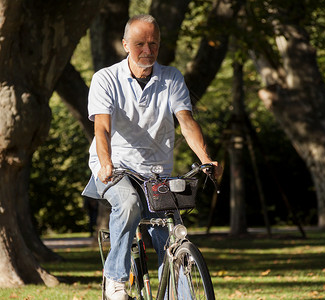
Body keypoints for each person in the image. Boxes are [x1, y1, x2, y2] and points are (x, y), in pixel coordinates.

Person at [82, 14, 222, 300]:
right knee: (129, 204)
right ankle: (116, 282)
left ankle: (179, 294)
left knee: (172, 235)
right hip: (116, 166)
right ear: (125, 44)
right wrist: (105, 161)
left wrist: (206, 158)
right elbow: (102, 127)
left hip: (157, 171)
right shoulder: (106, 78)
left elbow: (185, 120)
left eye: (153, 44)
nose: (147, 50)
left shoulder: (171, 78)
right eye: (139, 44)